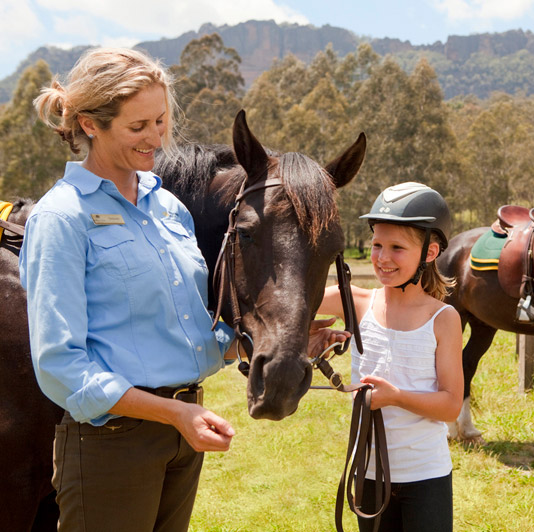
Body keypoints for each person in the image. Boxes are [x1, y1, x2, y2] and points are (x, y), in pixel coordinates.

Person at [20, 47, 345, 531]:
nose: (156, 138)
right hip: (112, 441)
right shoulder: (62, 217)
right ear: (90, 124)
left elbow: (185, 329)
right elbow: (61, 366)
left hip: (180, 430)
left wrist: (268, 344)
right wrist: (172, 414)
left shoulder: (168, 208)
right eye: (138, 127)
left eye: (161, 120)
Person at [318, 182, 464, 532]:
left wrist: (396, 397)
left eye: (397, 248)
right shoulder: (354, 301)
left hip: (426, 476)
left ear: (430, 252)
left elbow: (450, 405)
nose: (382, 258)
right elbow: (286, 307)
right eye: (377, 245)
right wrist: (312, 333)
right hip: (368, 473)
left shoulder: (443, 319)